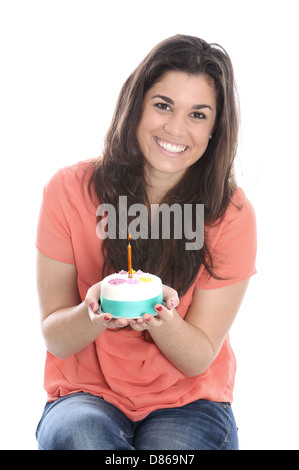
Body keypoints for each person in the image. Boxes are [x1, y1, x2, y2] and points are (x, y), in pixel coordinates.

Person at [35, 34, 257, 450]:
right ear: (135, 105)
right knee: (84, 438)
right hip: (85, 394)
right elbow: (55, 336)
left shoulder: (231, 214)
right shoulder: (67, 190)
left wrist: (162, 318)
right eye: (163, 105)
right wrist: (94, 309)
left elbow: (197, 357)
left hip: (189, 402)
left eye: (198, 114)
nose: (175, 128)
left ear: (215, 129)